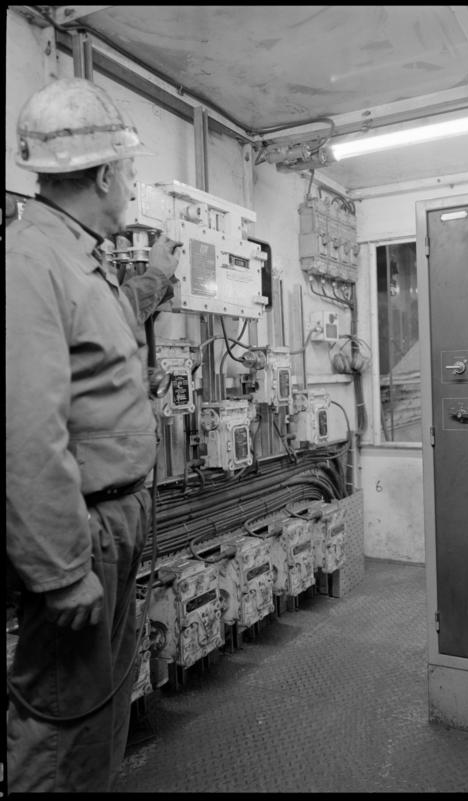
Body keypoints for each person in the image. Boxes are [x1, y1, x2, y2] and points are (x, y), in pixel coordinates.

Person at [5, 77, 182, 793]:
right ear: (105, 174)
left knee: (103, 704)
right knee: (63, 718)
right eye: (130, 171)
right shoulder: (31, 263)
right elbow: (25, 432)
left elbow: (106, 337)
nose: (132, 185)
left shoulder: (81, 257)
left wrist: (158, 281)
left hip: (117, 520)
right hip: (84, 535)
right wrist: (60, 568)